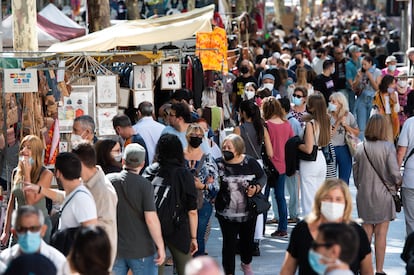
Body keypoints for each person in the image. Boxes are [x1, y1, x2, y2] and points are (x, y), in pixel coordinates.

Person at [280, 178, 373, 275]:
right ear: (319, 201)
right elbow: (287, 270)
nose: (333, 203)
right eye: (327, 198)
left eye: (338, 199)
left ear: (346, 203)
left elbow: (367, 271)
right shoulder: (302, 230)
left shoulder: (357, 233)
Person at [353, 114, 402, 275]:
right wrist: (398, 183)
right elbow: (395, 174)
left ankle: (365, 269)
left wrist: (362, 187)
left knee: (366, 233)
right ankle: (379, 270)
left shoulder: (361, 147)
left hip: (365, 196)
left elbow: (356, 175)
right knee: (381, 235)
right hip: (384, 196)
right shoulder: (388, 147)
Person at [144, 134, 198, 275]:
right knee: (184, 268)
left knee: (156, 268)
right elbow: (192, 210)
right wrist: (193, 237)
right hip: (177, 227)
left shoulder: (150, 171)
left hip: (152, 226)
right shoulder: (184, 174)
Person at [107, 143, 165, 275]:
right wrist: (160, 245)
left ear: (123, 161)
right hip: (142, 249)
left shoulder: (109, 181)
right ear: (142, 163)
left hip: (115, 248)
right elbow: (151, 220)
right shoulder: (145, 185)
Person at [215, 134, 266, 275]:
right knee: (229, 246)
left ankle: (246, 263)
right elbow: (212, 181)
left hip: (248, 213)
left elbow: (262, 177)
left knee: (247, 243)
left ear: (238, 149)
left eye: (229, 147)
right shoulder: (218, 163)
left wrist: (256, 188)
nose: (226, 149)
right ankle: (229, 272)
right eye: (224, 147)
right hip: (226, 214)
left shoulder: (250, 162)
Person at [71, 142, 118, 267]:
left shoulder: (103, 191)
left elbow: (105, 227)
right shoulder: (85, 182)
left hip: (97, 258)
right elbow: (69, 195)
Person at [1, 135, 54, 245]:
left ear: (36, 153)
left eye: (29, 148)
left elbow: (30, 201)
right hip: (19, 225)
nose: (24, 151)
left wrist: (27, 174)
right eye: (22, 147)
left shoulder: (46, 174)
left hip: (38, 226)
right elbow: (11, 203)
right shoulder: (16, 172)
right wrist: (5, 231)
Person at [183, 123, 219, 257]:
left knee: (199, 237)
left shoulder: (208, 158)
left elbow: (215, 185)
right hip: (182, 203)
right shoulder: (179, 158)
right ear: (187, 136)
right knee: (183, 238)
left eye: (200, 136)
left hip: (203, 203)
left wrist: (203, 186)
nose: (197, 138)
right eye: (193, 135)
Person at [0, 205, 66, 275]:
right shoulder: (4, 260)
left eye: (33, 229)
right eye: (22, 229)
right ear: (14, 232)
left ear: (43, 230)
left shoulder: (57, 261)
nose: (28, 233)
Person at [262, 97, 294, 238]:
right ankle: (283, 228)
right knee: (280, 197)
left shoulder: (266, 125)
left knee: (263, 198)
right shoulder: (287, 124)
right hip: (282, 166)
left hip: (268, 166)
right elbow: (292, 143)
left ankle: (260, 227)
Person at [298, 94, 331, 216]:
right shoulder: (326, 121)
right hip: (322, 158)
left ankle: (309, 227)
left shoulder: (311, 124)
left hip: (310, 161)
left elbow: (308, 148)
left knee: (308, 197)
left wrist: (297, 144)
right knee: (319, 195)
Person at [328, 92, 359, 184]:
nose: (331, 104)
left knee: (344, 180)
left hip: (344, 148)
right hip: (330, 148)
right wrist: (338, 122)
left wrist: (345, 125)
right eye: (330, 101)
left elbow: (356, 132)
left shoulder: (348, 115)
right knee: (330, 180)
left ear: (341, 104)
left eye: (334, 102)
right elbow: (328, 135)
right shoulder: (327, 116)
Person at [352, 55, 382, 140]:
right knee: (361, 125)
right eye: (362, 64)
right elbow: (354, 87)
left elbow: (377, 88)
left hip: (372, 99)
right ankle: (361, 143)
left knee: (372, 123)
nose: (363, 66)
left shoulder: (377, 72)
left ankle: (371, 142)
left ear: (370, 63)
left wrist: (370, 77)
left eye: (365, 64)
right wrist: (358, 78)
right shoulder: (360, 72)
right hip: (362, 99)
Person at [397, 115, 414, 235]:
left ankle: (412, 250)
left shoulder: (410, 123)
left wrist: (396, 175)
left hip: (410, 178)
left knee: (411, 220)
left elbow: (401, 152)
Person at [372, 75, 400, 143]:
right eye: (392, 84)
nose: (394, 86)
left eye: (394, 83)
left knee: (390, 140)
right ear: (387, 84)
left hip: (391, 119)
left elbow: (397, 110)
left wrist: (395, 101)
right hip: (380, 119)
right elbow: (374, 109)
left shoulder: (394, 94)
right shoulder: (378, 95)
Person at [345, 45, 362, 114]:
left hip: (362, 88)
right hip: (352, 89)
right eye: (357, 52)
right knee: (353, 108)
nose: (359, 53)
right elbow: (349, 78)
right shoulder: (348, 64)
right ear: (353, 53)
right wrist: (353, 87)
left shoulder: (361, 61)